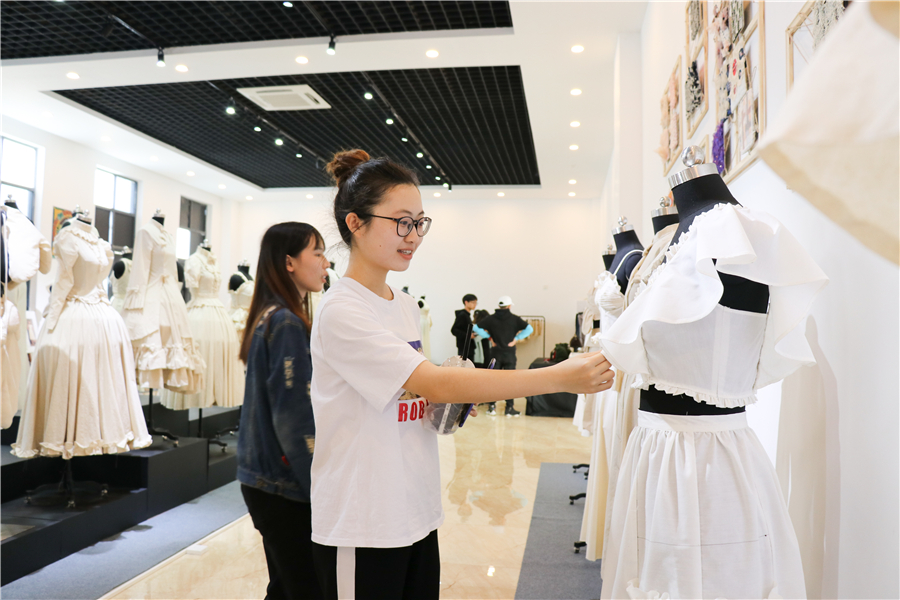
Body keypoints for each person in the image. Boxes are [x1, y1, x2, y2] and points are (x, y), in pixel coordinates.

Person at [309, 149, 614, 600]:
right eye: (401, 222)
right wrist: (558, 377)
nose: (414, 236)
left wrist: (444, 407)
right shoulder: (342, 310)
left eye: (420, 223)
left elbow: (420, 392)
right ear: (356, 223)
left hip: (416, 508)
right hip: (363, 520)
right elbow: (432, 380)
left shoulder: (404, 304)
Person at [236, 222, 329, 600]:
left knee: (286, 586)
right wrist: (318, 487)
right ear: (289, 262)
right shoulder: (286, 322)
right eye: (317, 253)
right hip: (282, 484)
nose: (325, 263)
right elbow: (293, 417)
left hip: (264, 479)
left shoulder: (270, 315)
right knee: (304, 587)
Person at [474, 296, 533, 416]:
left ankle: (491, 407)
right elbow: (529, 329)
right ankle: (509, 408)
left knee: (493, 380)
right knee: (510, 381)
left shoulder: (491, 319)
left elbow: (476, 327)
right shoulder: (515, 319)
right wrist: (516, 339)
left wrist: (489, 338)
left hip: (495, 353)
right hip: (509, 354)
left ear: (499, 306)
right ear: (509, 306)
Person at [450, 293, 478, 362]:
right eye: (473, 302)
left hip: (468, 346)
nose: (475, 305)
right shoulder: (462, 315)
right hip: (464, 347)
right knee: (465, 365)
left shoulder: (467, 315)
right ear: (466, 302)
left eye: (476, 303)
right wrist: (468, 335)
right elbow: (454, 330)